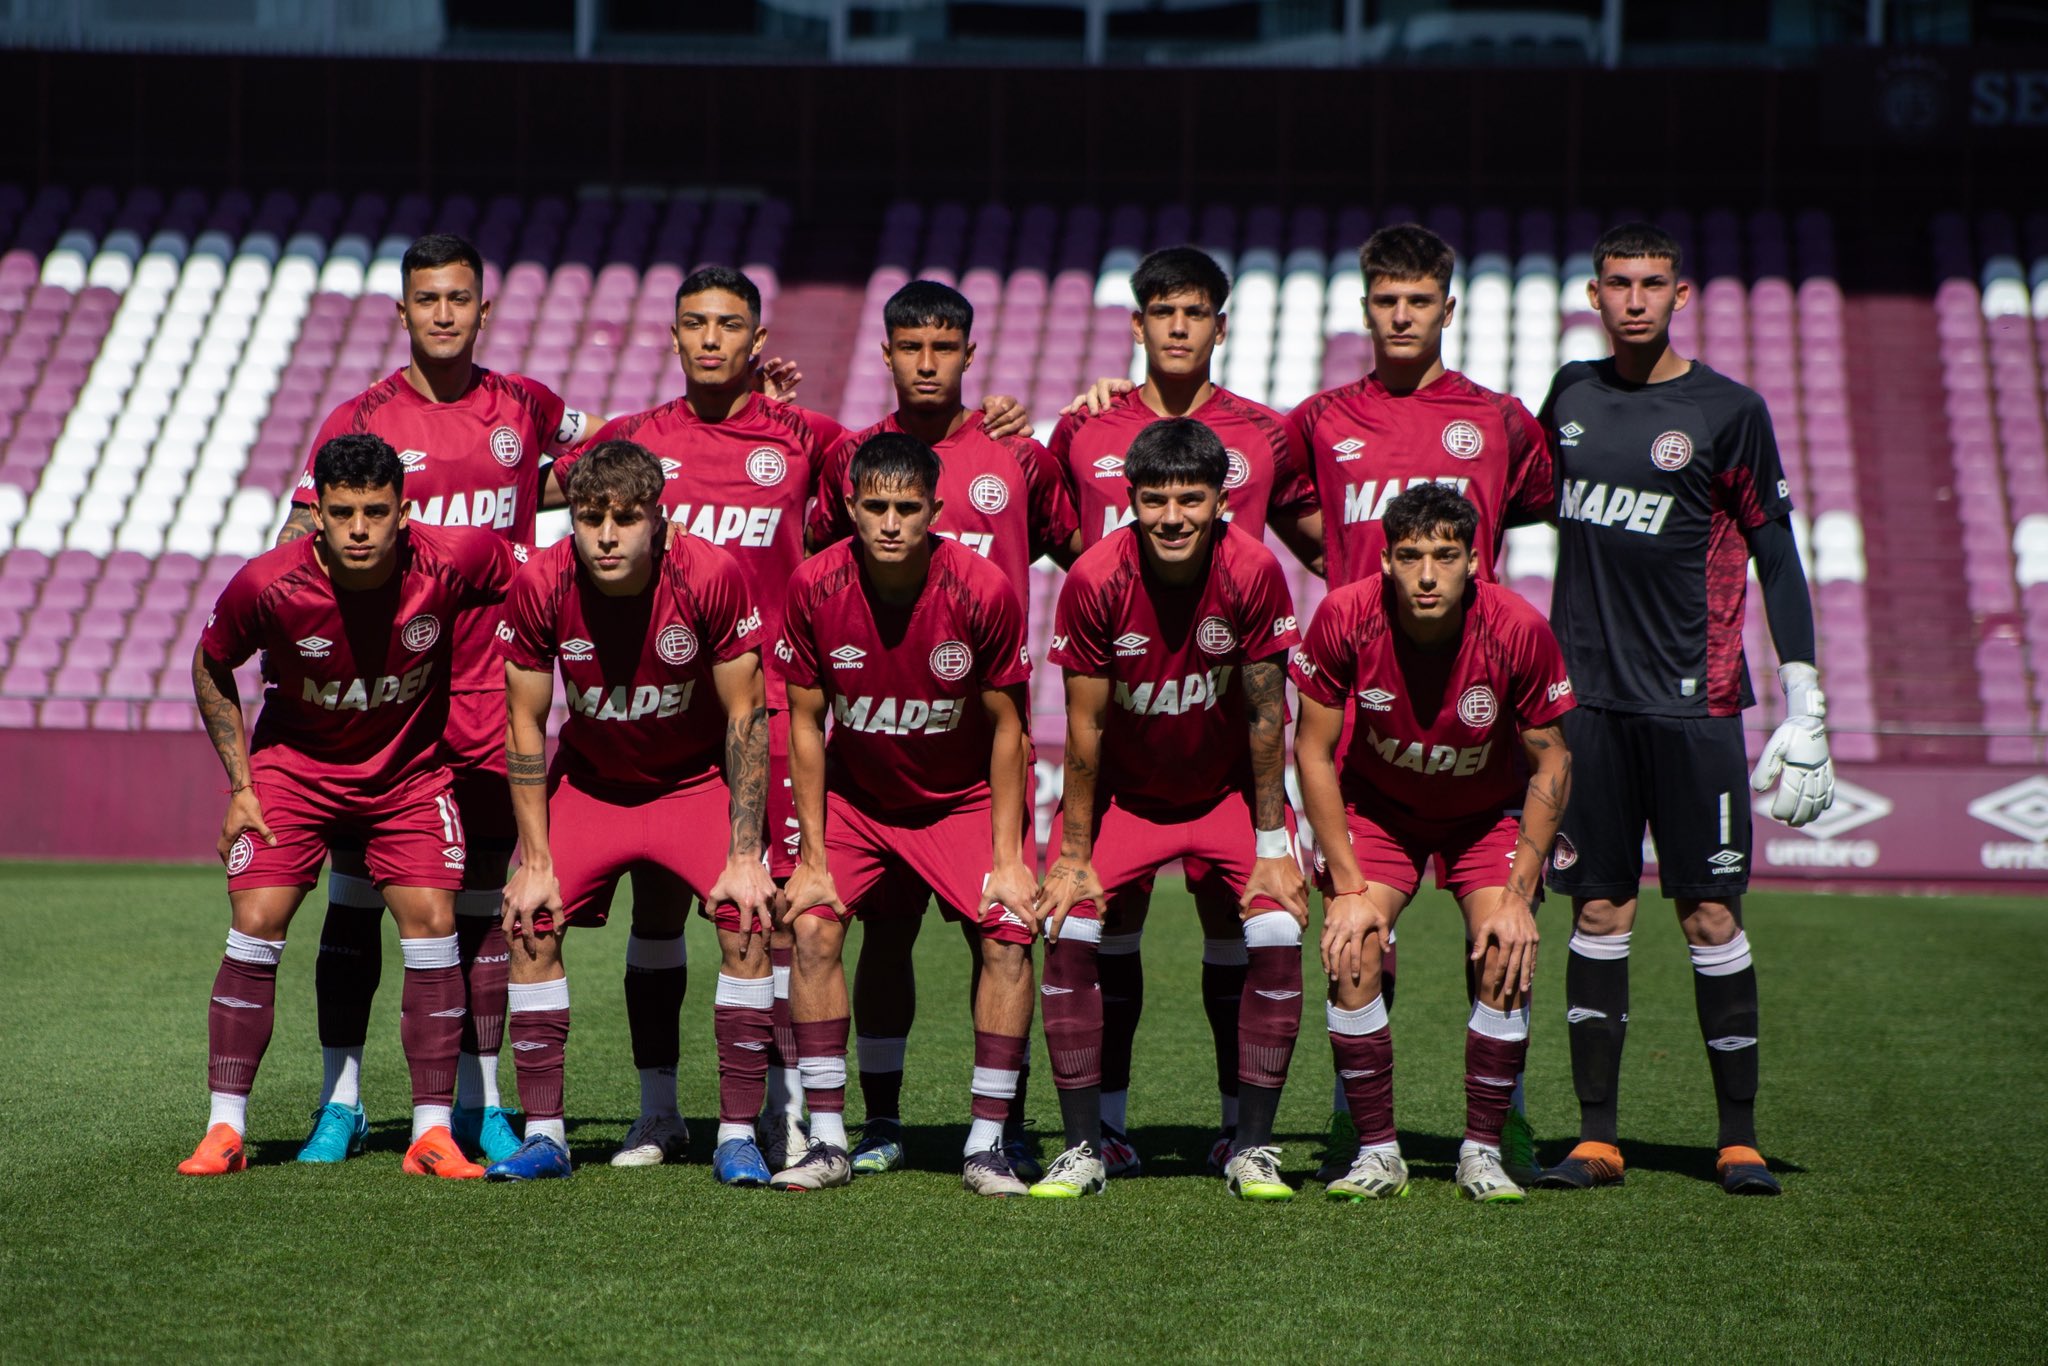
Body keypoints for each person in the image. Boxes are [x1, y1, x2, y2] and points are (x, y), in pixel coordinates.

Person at [277, 232, 593, 1167]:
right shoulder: (358, 417)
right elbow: (303, 541)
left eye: (460, 298)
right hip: (387, 695)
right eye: (428, 299)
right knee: (354, 900)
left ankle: (479, 1103)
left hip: (493, 689)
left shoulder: (528, 406)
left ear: (483, 310)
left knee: (481, 905)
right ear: (404, 312)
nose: (444, 313)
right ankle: (342, 1099)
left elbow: (601, 455)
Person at [1536, 222, 1831, 1197]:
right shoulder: (1568, 396)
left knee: (1708, 912)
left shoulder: (1727, 410)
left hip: (1692, 705)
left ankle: (1736, 1136)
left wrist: (1805, 694)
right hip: (1583, 707)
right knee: (1599, 907)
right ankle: (1595, 1137)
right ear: (1591, 292)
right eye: (1616, 281)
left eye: (1650, 283)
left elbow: (1776, 554)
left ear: (1680, 294)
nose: (1633, 299)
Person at [1284, 221, 1557, 1177]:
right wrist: (1331, 555)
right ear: (1365, 309)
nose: (1401, 316)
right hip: (1366, 717)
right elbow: (1250, 490)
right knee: (1362, 933)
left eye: (1419, 301)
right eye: (1385, 301)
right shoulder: (1319, 419)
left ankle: (1504, 1121)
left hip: (1476, 717)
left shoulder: (1498, 418)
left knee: (1503, 941)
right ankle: (1353, 1121)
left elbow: (1533, 504)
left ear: (1448, 307)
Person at [1049, 245, 1323, 1175]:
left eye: (1194, 311)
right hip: (1124, 767)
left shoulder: (1267, 447)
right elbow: (1050, 531)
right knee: (1085, 925)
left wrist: (1276, 837)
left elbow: (1265, 707)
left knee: (1260, 928)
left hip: (1217, 769)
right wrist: (1074, 850)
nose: (1173, 514)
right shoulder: (1084, 440)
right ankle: (1096, 1137)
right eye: (1159, 311)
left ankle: (1246, 1139)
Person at [183, 433, 516, 1178]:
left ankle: (432, 1133)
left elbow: (539, 576)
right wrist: (241, 787)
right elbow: (211, 664)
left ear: (404, 512)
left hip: (409, 778)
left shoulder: (454, 558)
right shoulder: (267, 585)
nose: (359, 528)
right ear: (319, 516)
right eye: (343, 513)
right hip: (294, 774)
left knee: (433, 926)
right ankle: (225, 1129)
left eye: (375, 511)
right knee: (256, 922)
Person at [806, 278, 1079, 1177]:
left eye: (943, 347)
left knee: (1001, 929)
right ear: (886, 354)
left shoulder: (1019, 457)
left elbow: (1079, 543)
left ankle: (998, 1130)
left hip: (970, 756)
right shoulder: (849, 456)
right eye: (911, 347)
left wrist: (1089, 412)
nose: (928, 363)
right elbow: (812, 556)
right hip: (872, 750)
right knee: (877, 934)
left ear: (968, 353)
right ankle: (873, 1122)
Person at [486, 440, 777, 1183]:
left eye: (625, 518)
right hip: (592, 785)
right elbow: (523, 723)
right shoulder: (541, 582)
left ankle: (740, 1132)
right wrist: (536, 861)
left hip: (691, 782)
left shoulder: (710, 573)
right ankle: (547, 1133)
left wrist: (746, 856)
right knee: (529, 916)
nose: (607, 535)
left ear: (660, 520)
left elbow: (747, 715)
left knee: (748, 919)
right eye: (590, 518)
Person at [773, 432, 1040, 1196]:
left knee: (1009, 936)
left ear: (936, 511)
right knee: (814, 926)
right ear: (850, 506)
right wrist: (815, 858)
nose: (890, 523)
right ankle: (827, 1140)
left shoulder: (982, 588)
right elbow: (804, 725)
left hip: (958, 802)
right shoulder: (814, 585)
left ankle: (987, 1143)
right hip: (860, 801)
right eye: (876, 507)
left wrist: (1010, 856)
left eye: (908, 509)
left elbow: (1007, 728)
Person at [1291, 483, 1573, 1204]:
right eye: (1411, 556)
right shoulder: (1345, 616)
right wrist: (1349, 890)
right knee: (1352, 950)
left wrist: (1517, 897)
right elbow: (1313, 751)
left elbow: (1553, 761)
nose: (1426, 575)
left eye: (1444, 557)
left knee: (1505, 949)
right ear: (1384, 561)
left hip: (1483, 815)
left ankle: (1483, 1148)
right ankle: (1376, 1151)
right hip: (1381, 810)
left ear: (1474, 561)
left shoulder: (1516, 627)